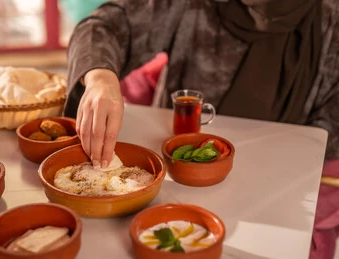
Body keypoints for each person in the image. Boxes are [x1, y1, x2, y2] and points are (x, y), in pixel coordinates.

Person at [64, 1, 339, 257]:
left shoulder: (330, 19)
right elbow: (104, 25)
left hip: (279, 192)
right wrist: (100, 78)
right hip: (169, 182)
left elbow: (328, 129)